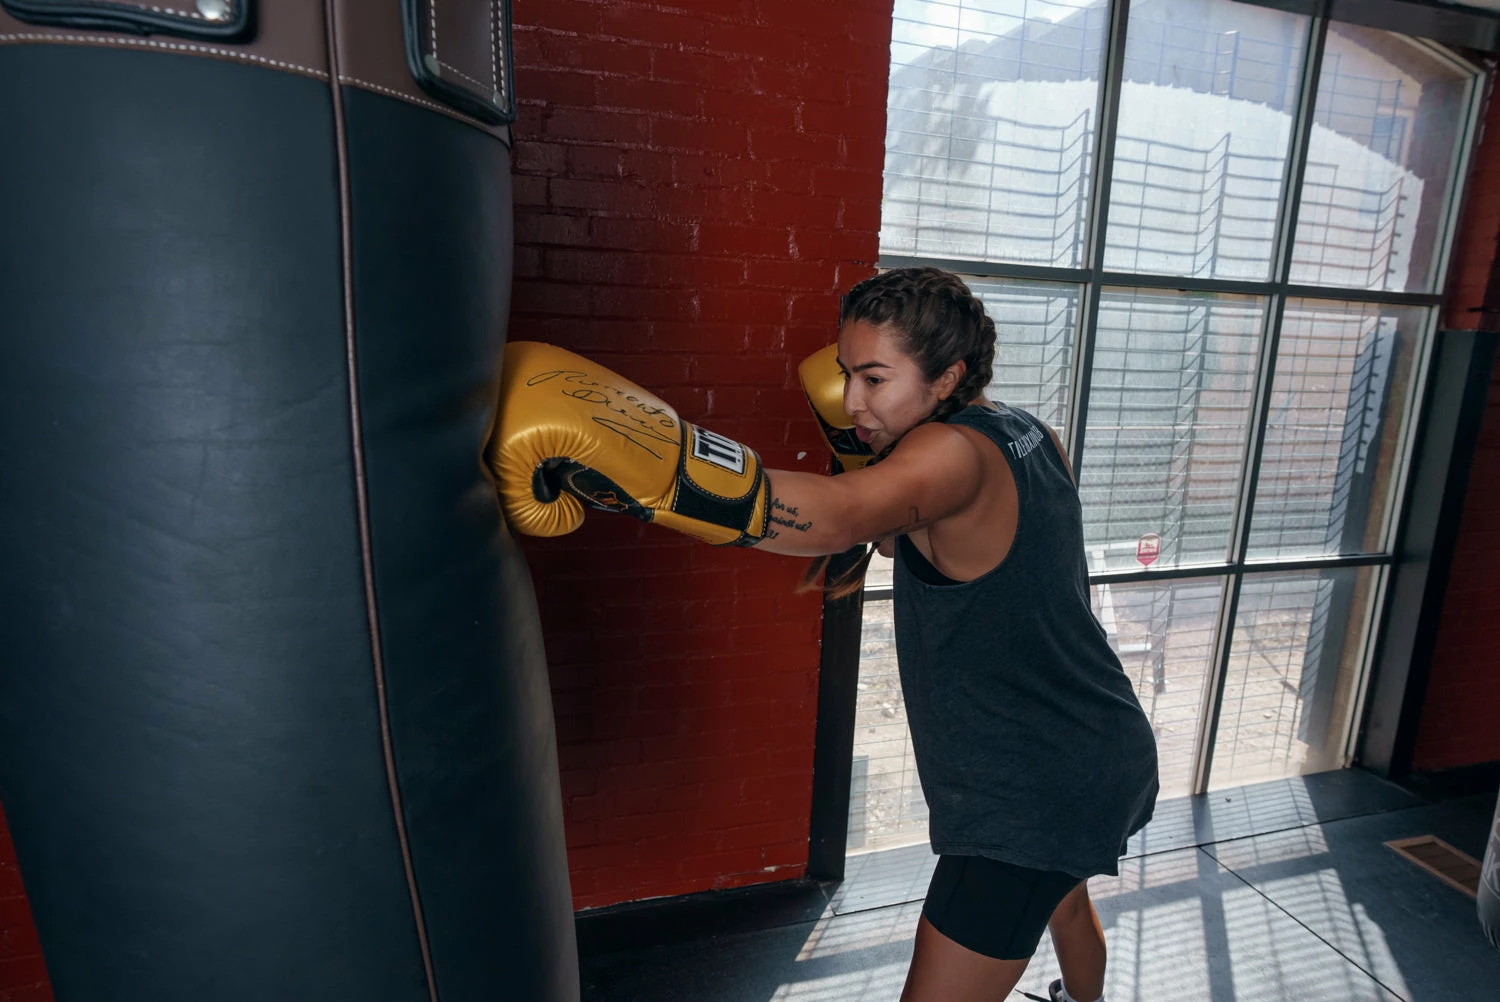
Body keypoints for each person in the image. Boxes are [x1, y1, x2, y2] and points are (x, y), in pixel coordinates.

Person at [490, 266, 1160, 1002]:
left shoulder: (949, 456)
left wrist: (662, 463)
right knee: (1064, 898)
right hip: (1100, 740)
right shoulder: (1029, 433)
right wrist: (877, 459)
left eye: (874, 378)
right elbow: (914, 538)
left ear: (948, 376)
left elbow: (841, 516)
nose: (849, 400)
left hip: (1032, 794)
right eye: (847, 374)